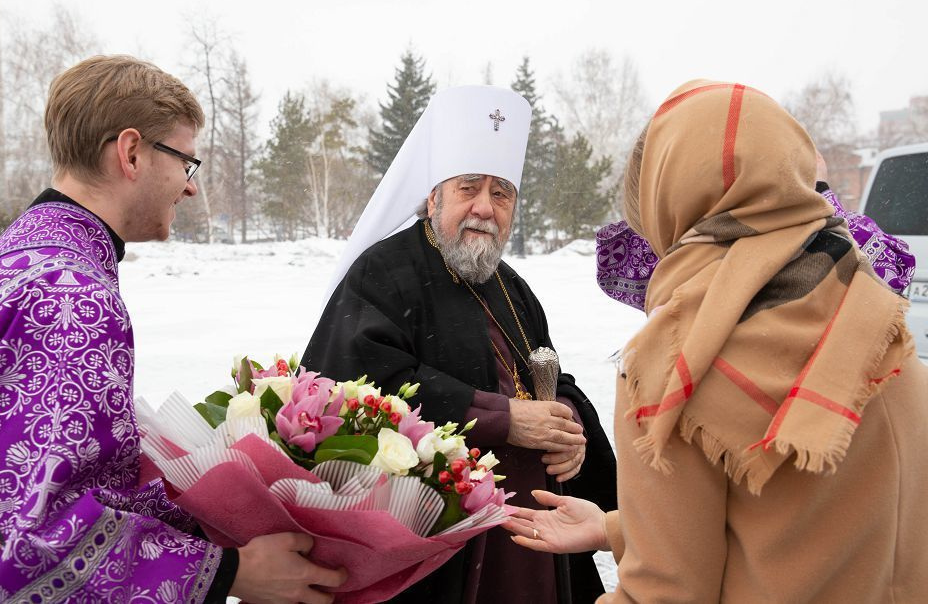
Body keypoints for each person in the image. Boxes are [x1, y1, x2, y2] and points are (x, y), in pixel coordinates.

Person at [0, 55, 346, 603]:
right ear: (131, 152)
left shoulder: (26, 254)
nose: (190, 189)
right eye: (187, 162)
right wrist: (229, 573)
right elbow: (30, 545)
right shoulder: (69, 299)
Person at [505, 80, 928, 602]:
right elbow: (812, 519)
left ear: (665, 197)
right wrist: (616, 528)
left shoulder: (678, 364)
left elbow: (664, 594)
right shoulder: (876, 316)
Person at [303, 85, 617, 604]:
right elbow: (355, 389)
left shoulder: (512, 285)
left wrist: (567, 423)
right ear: (433, 197)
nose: (484, 208)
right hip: (438, 540)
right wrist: (502, 417)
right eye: (468, 187)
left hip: (532, 529)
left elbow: (549, 374)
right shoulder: (383, 273)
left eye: (502, 193)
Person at [595, 147, 916, 312]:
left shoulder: (672, 246)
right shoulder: (788, 231)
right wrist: (816, 190)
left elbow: (613, 263)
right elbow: (894, 270)